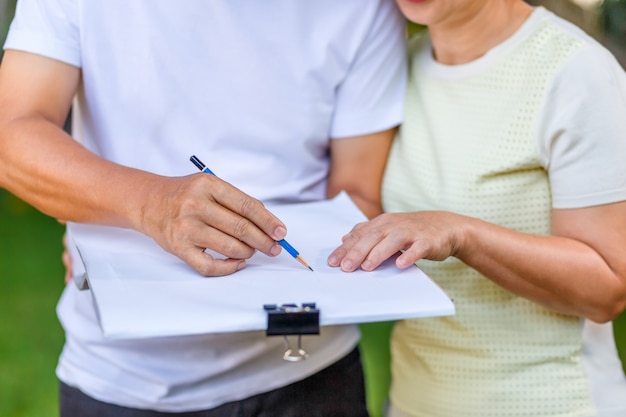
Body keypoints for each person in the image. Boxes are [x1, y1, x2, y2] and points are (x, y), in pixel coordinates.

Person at [0, 1, 407, 416]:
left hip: (308, 370)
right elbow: (10, 137)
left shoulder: (364, 8)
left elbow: (356, 192)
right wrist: (148, 206)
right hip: (124, 377)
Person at [328, 0, 626, 416]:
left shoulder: (576, 72)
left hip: (549, 401)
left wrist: (461, 234)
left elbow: (608, 288)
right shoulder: (395, 70)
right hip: (416, 400)